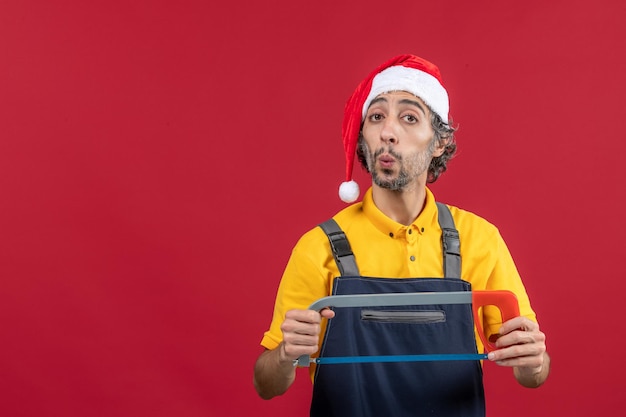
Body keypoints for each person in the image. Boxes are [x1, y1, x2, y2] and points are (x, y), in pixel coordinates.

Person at [253, 54, 550, 416]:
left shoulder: (480, 239)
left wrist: (532, 360)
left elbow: (533, 375)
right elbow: (266, 384)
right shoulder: (319, 247)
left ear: (438, 142)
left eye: (409, 118)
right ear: (363, 137)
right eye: (376, 117)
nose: (388, 132)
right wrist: (285, 355)